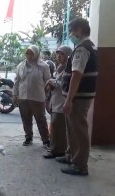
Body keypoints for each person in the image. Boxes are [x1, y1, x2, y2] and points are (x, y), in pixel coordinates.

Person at [57, 18, 98, 176]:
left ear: (81, 30)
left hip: (78, 97)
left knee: (79, 129)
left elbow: (76, 75)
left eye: (73, 31)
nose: (71, 34)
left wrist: (69, 100)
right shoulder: (91, 46)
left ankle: (80, 165)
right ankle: (71, 155)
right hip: (79, 96)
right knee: (72, 128)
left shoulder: (82, 48)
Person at [13, 45, 51, 147]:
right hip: (23, 97)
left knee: (41, 119)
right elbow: (16, 81)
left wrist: (47, 93)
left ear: (36, 54)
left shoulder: (43, 66)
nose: (29, 55)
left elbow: (48, 81)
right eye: (27, 53)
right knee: (26, 119)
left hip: (37, 97)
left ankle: (46, 140)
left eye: (31, 53)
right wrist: (14, 94)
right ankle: (28, 137)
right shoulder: (20, 66)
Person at [43, 46, 73, 159]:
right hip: (55, 100)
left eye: (61, 54)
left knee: (58, 127)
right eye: (58, 54)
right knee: (55, 127)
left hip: (62, 101)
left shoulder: (69, 69)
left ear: (68, 56)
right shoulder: (59, 67)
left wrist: (52, 82)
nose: (58, 56)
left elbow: (66, 85)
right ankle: (56, 149)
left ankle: (57, 150)